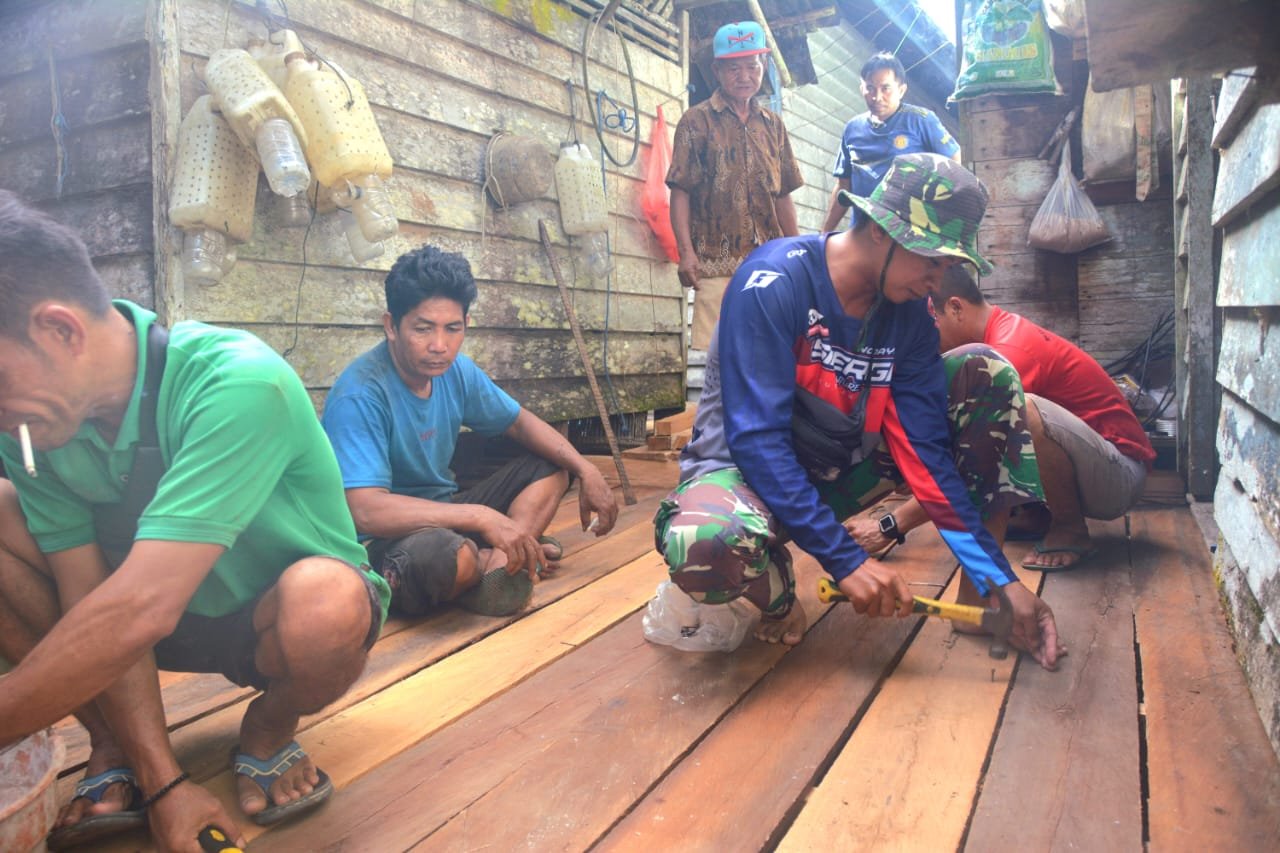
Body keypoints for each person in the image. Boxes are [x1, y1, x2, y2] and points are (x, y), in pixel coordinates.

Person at [0, 190, 388, 852]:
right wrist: (166, 784)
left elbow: (137, 611)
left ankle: (267, 727)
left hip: (264, 617)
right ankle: (116, 745)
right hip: (149, 622)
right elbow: (92, 604)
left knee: (325, 603)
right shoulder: (32, 426)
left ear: (60, 330)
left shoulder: (236, 382)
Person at [655, 153, 1064, 670]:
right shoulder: (773, 282)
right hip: (745, 474)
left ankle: (978, 598)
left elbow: (926, 455)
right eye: (931, 260)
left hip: (836, 474)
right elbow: (757, 441)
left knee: (985, 372)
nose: (937, 282)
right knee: (702, 545)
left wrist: (997, 576)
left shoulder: (911, 317)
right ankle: (777, 594)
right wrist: (846, 561)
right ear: (881, 232)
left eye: (949, 267)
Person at [321, 245, 619, 620]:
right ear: (391, 326)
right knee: (446, 559)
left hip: (447, 512)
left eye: (453, 329)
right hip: (380, 541)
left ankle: (502, 561)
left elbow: (517, 421)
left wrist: (585, 468)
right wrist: (480, 517)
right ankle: (503, 557)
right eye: (423, 328)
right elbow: (365, 512)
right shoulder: (361, 393)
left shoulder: (456, 371)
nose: (439, 346)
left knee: (550, 465)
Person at [921, 265, 1155, 569]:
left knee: (1021, 410)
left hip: (1120, 478)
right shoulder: (999, 334)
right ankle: (1038, 515)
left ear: (955, 308)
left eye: (931, 324)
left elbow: (970, 457)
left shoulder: (1010, 351)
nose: (928, 339)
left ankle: (1070, 529)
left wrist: (892, 523)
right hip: (1093, 467)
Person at [667, 20, 804, 352]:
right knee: (717, 359)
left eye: (751, 65)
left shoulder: (774, 126)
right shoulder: (695, 121)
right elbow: (680, 191)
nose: (744, 76)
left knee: (770, 353)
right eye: (733, 68)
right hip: (716, 262)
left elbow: (783, 193)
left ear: (764, 66)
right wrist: (686, 253)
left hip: (770, 263)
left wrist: (798, 251)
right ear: (717, 71)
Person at [820, 52, 961, 233]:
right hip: (863, 235)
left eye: (885, 88)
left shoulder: (922, 120)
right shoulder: (852, 129)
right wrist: (823, 234)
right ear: (861, 88)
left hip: (910, 234)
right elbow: (843, 185)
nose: (877, 97)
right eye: (870, 88)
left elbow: (954, 165)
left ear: (901, 90)